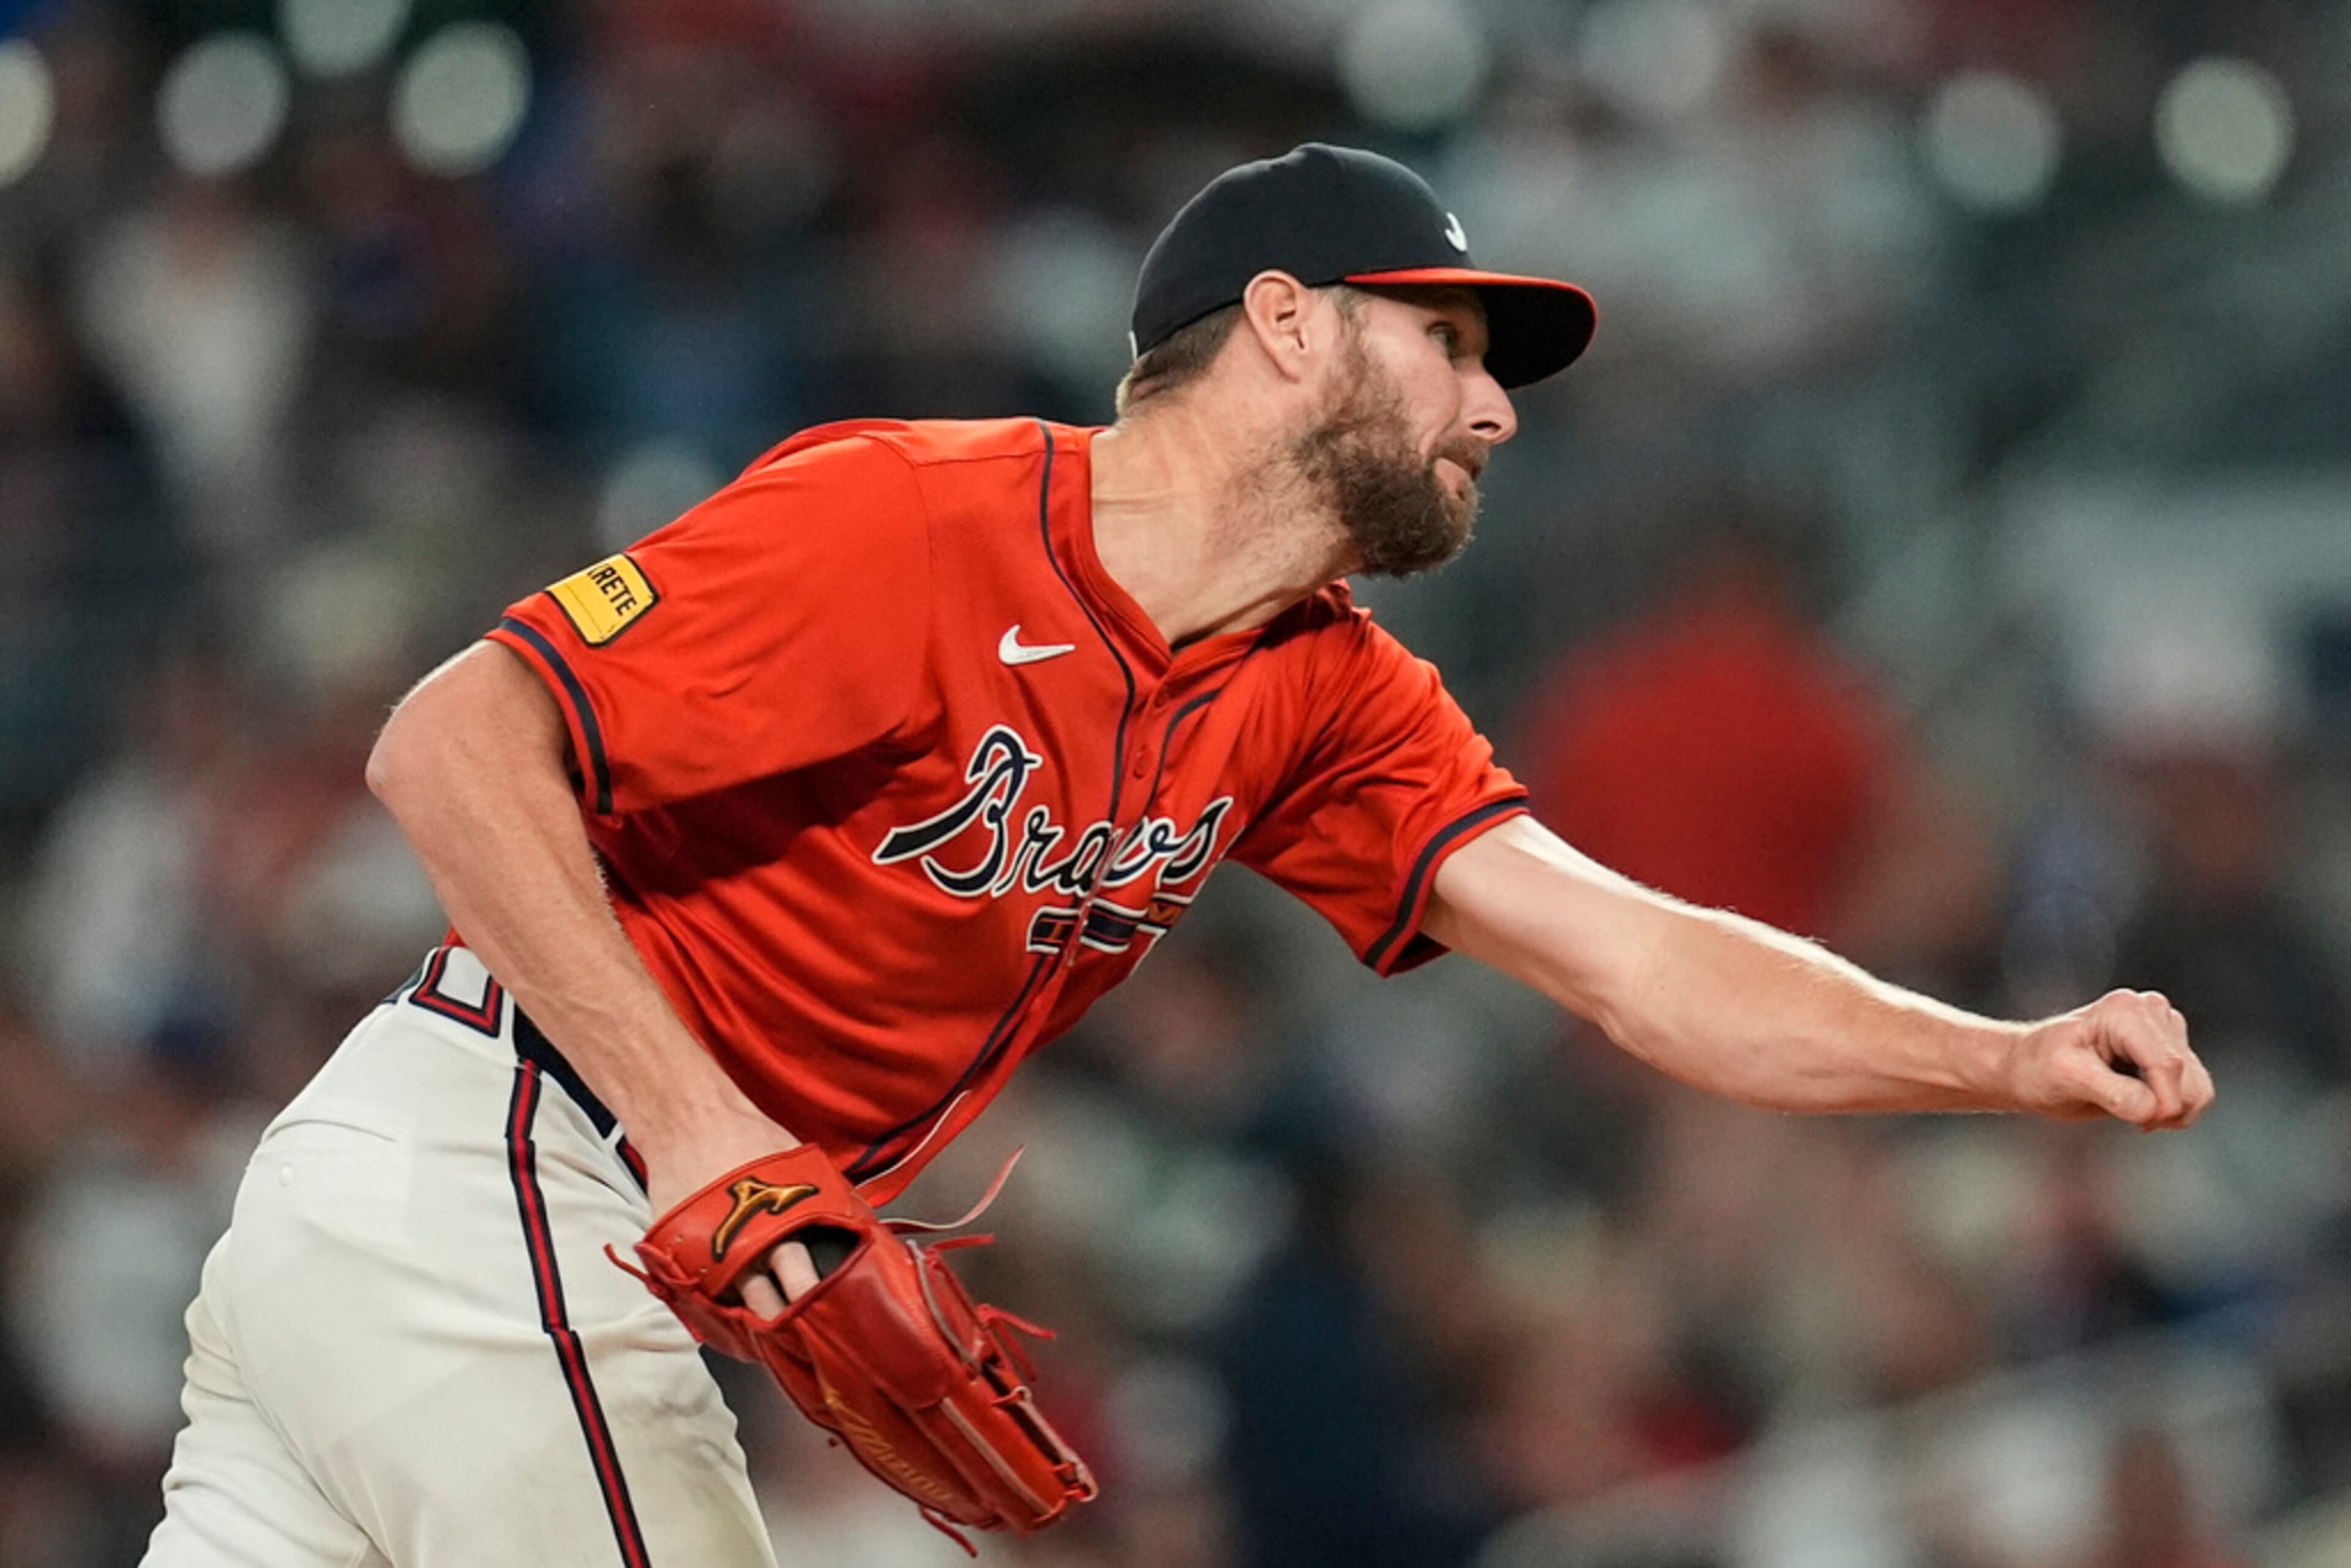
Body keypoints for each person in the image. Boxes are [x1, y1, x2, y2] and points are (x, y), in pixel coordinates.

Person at [142, 143, 2213, 1567]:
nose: (1495, 410)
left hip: (509, 1230)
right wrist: (696, 1122)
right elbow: (452, 736)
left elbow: (1635, 959)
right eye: (1456, 345)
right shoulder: (914, 516)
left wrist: (2002, 1056)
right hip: (498, 1156)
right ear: (1292, 324)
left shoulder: (1327, 693)